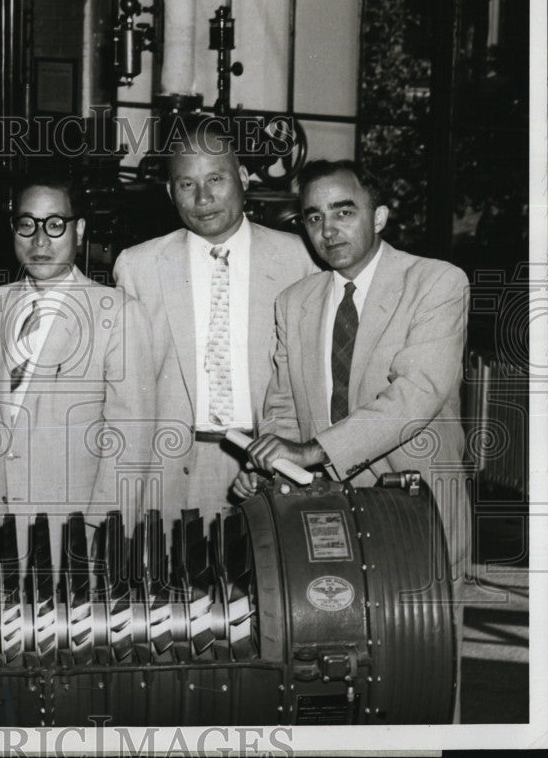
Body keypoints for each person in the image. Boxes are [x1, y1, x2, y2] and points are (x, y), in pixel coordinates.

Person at [242, 159, 470, 719]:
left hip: (418, 515)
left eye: (344, 211)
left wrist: (313, 451)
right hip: (327, 523)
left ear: (382, 215)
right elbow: (282, 407)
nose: (328, 230)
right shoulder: (294, 302)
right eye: (314, 216)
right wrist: (269, 460)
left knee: (424, 682)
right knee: (333, 682)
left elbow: (415, 395)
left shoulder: (437, 281)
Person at [111, 116, 316, 527]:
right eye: (187, 185)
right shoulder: (137, 266)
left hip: (268, 463)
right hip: (169, 469)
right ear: (171, 192)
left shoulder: (300, 260)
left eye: (216, 179)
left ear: (243, 177)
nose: (203, 198)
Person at [0, 170, 156, 568]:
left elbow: (130, 444)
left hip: (74, 540)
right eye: (26, 224)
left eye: (55, 225)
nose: (39, 240)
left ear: (80, 232)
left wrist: (101, 536)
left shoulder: (117, 313)